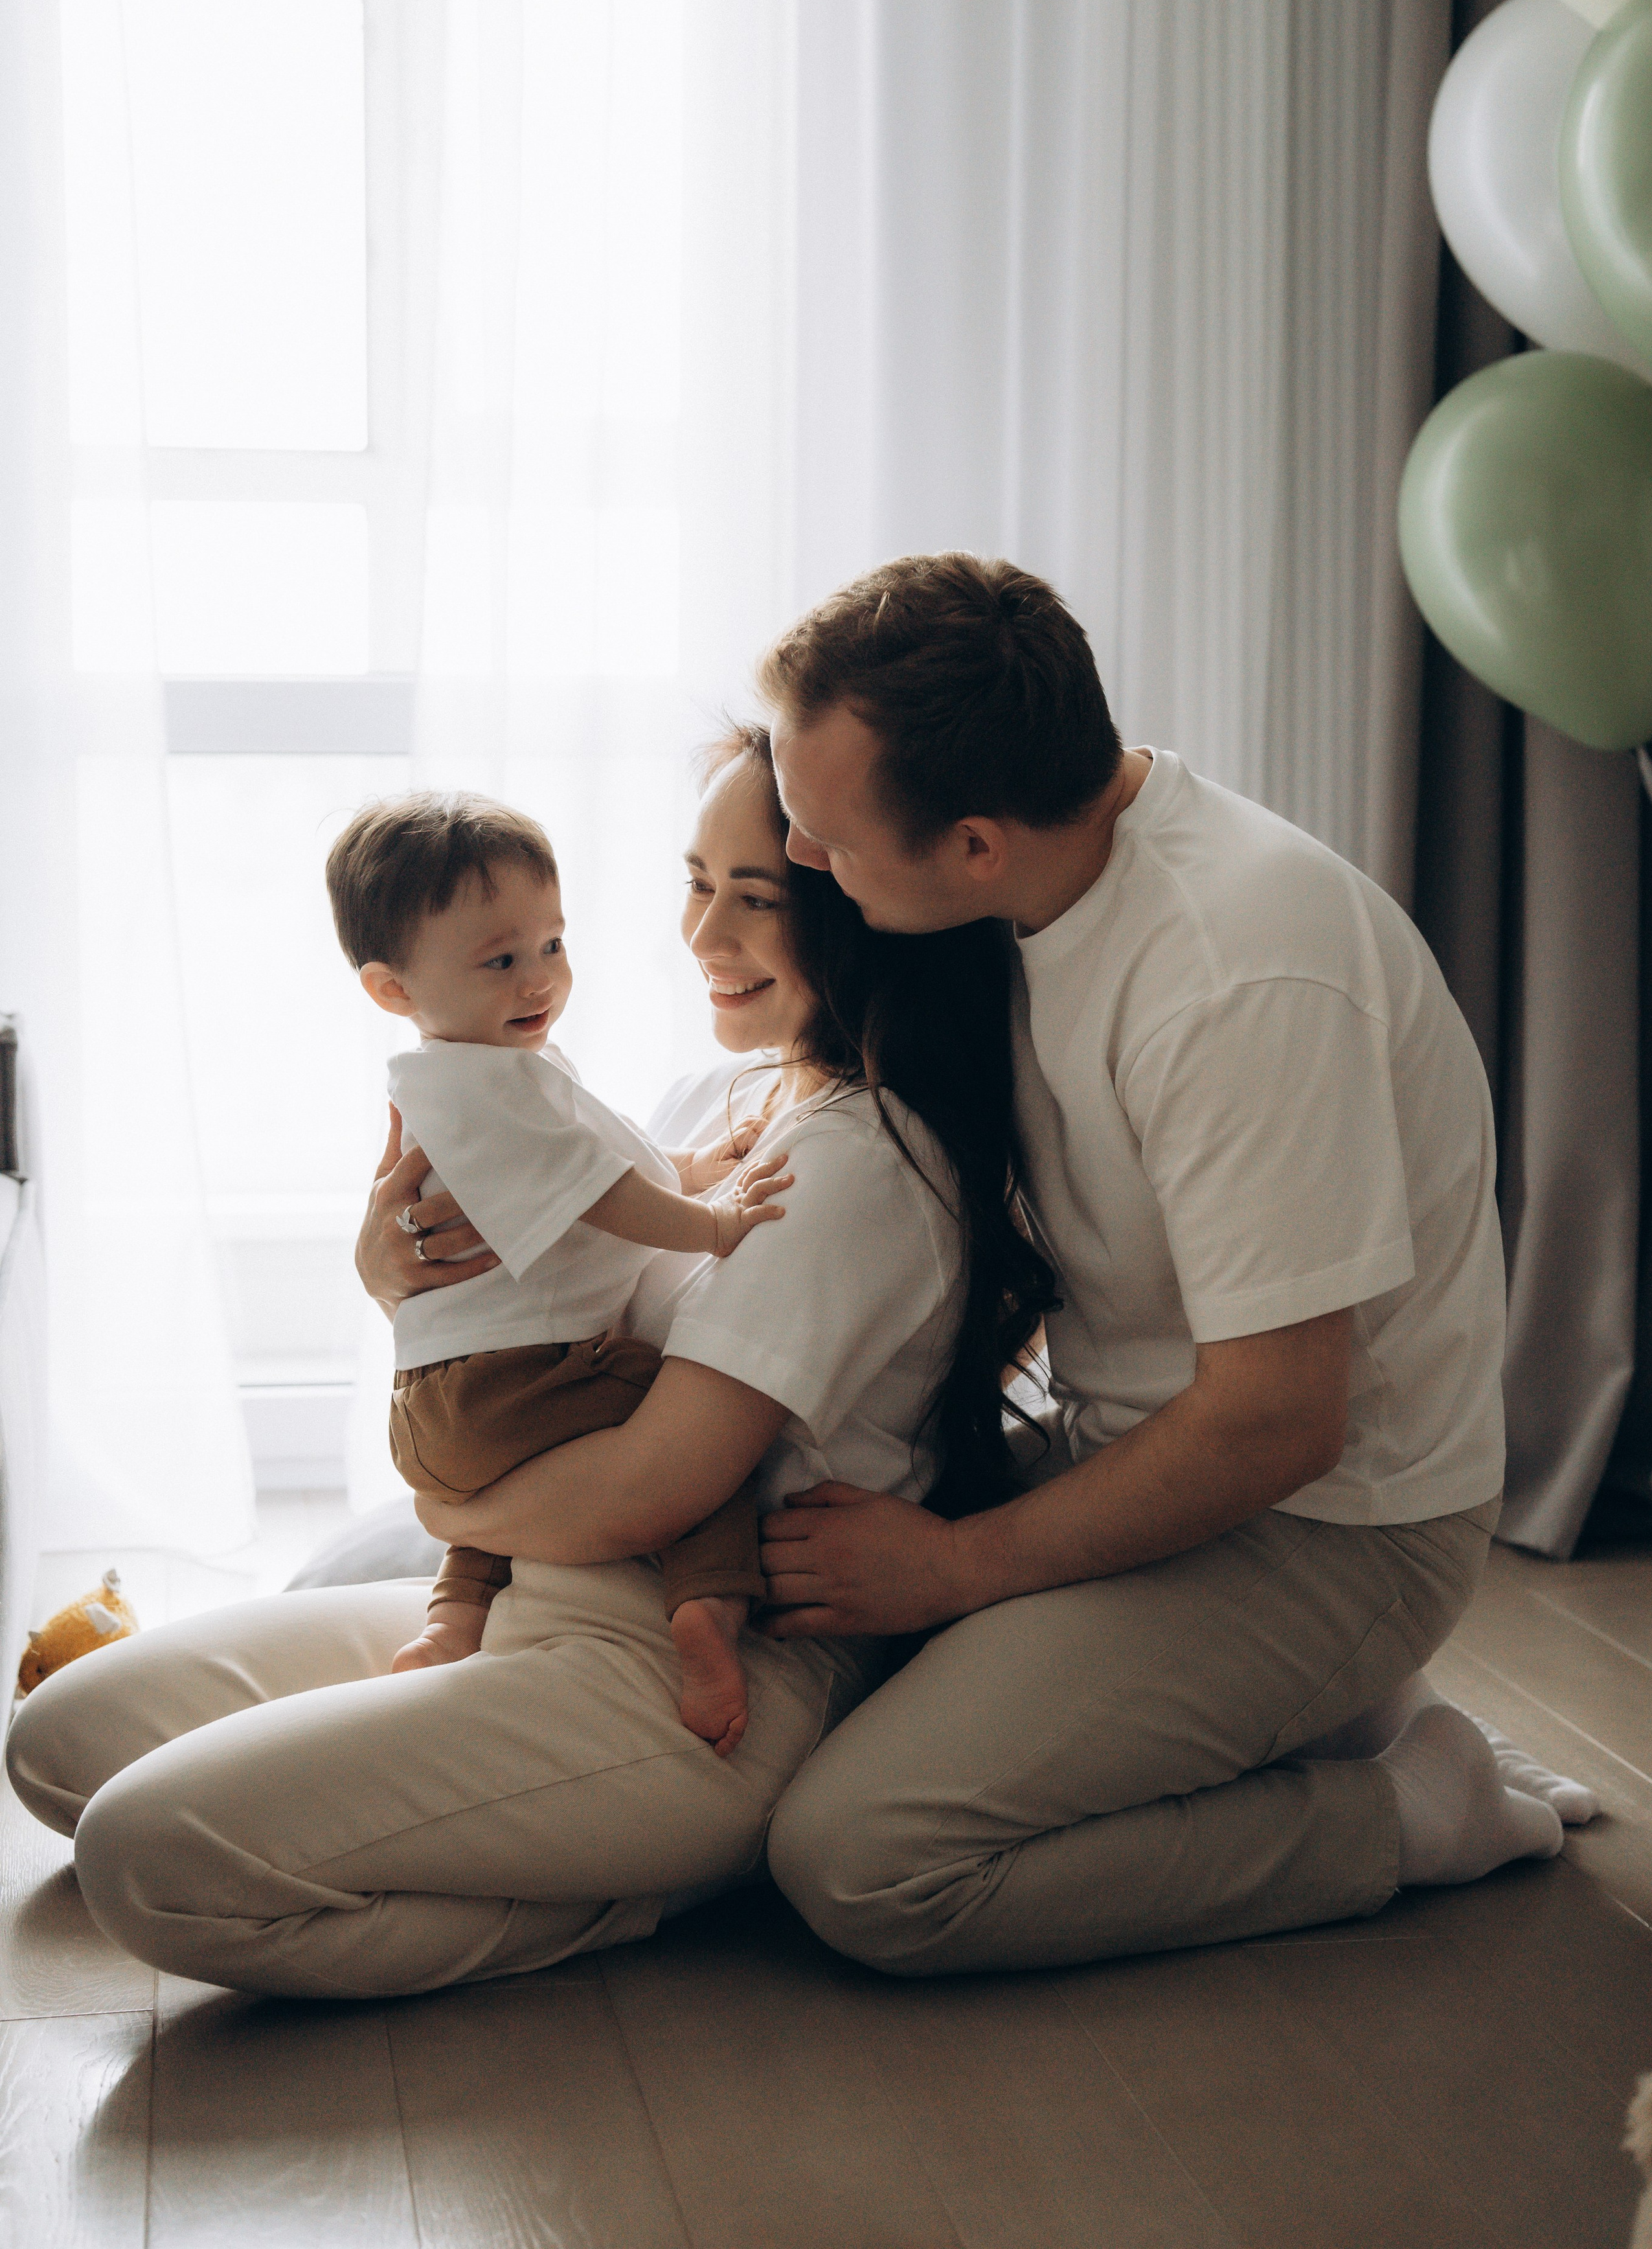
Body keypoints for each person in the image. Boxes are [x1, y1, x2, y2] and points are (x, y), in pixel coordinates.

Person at [5, 729, 1050, 1998]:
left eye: (755, 897)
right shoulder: (709, 1102)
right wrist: (384, 1269)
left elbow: (649, 1491)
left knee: (145, 1858)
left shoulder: (860, 1161)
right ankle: (538, 1833)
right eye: (694, 882)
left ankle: (644, 1887)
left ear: (863, 908)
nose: (701, 931)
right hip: (533, 1590)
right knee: (60, 1745)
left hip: (694, 1662)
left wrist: (443, 1500)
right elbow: (521, 1306)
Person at [751, 551, 1569, 1976]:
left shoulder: (1232, 973)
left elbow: (1280, 1418)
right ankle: (1328, 1719)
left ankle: (1409, 1810)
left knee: (861, 1858)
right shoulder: (1043, 879)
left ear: (976, 846)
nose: (802, 862)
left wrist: (956, 1568)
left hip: (1331, 1524)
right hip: (1130, 1450)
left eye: (827, 837)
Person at [326, 788, 791, 1753]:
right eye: (501, 961)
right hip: (507, 1384)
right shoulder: (485, 1087)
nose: (540, 979)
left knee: (510, 1483)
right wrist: (712, 1223)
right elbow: (604, 1194)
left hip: (443, 1408)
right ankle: (707, 1611)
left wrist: (702, 1163)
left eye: (553, 944)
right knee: (689, 1445)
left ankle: (454, 1616)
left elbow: (609, 1163)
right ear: (393, 991)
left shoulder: (479, 1078)